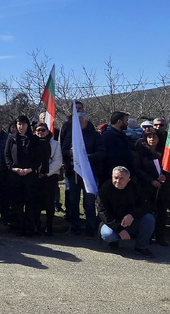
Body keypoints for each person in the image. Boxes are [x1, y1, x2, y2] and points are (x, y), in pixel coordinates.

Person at [60, 102, 101, 236]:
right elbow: (63, 150)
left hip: (89, 173)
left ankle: (90, 228)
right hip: (73, 173)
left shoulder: (95, 135)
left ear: (86, 122)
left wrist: (86, 157)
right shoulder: (70, 134)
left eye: (80, 121)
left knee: (89, 201)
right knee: (73, 200)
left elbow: (101, 153)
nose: (77, 124)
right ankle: (74, 226)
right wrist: (69, 153)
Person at [96, 166, 156, 258]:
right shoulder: (104, 189)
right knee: (108, 235)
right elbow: (103, 212)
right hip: (112, 222)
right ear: (112, 176)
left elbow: (146, 206)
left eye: (121, 179)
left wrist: (132, 215)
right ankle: (113, 242)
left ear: (128, 180)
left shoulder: (136, 188)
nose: (118, 181)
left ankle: (141, 247)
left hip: (131, 221)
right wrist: (119, 229)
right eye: (115, 178)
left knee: (149, 219)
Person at [131, 128, 170, 246]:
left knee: (161, 212)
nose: (152, 140)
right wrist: (151, 180)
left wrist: (165, 177)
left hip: (162, 186)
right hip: (145, 186)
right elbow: (137, 169)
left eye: (155, 137)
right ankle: (147, 236)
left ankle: (160, 237)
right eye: (149, 137)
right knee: (147, 211)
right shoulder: (140, 151)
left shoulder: (164, 152)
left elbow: (169, 167)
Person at [5, 115, 41, 236]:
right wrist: (13, 168)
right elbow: (7, 155)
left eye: (23, 124)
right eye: (19, 124)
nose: (21, 127)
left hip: (30, 175)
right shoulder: (11, 138)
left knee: (30, 203)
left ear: (27, 125)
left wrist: (30, 169)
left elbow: (38, 158)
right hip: (15, 175)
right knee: (17, 203)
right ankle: (19, 227)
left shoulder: (34, 139)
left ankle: (30, 228)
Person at [32, 121, 61, 236]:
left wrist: (45, 172)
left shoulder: (55, 144)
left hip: (50, 176)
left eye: (43, 130)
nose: (41, 132)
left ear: (48, 131)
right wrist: (36, 171)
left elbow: (57, 161)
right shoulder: (32, 143)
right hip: (35, 176)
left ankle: (49, 226)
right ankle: (37, 224)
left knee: (49, 202)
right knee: (36, 202)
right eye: (38, 130)